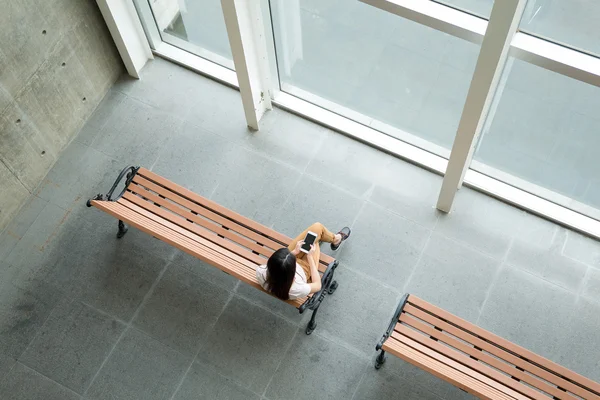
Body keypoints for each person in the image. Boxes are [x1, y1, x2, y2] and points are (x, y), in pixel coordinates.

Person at [256, 223, 351, 300]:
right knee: (315, 238)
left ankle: (334, 239)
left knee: (316, 230)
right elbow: (318, 285)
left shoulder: (261, 272)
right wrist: (310, 258)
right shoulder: (297, 289)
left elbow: (278, 265)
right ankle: (336, 239)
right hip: (304, 269)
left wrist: (293, 253)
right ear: (292, 275)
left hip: (286, 261)